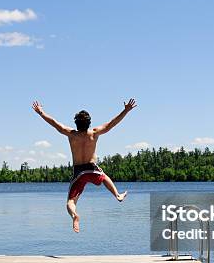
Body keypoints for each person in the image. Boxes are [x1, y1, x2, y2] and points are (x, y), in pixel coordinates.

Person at [32, 98, 138, 233]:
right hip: (92, 169)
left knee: (70, 202)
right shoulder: (94, 133)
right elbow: (112, 124)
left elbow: (54, 123)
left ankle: (74, 215)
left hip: (78, 172)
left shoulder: (71, 134)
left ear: (76, 123)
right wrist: (126, 110)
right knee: (104, 176)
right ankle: (117, 195)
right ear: (89, 123)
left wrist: (41, 112)